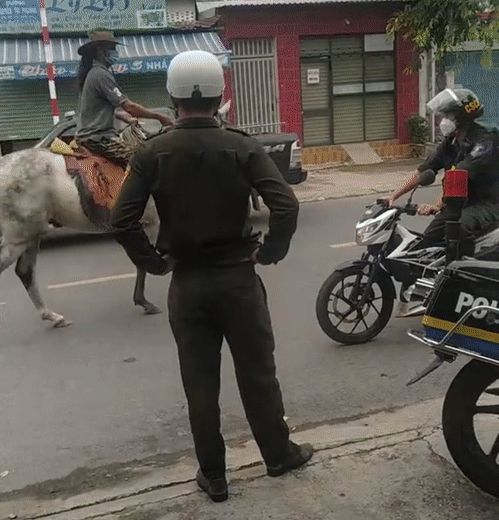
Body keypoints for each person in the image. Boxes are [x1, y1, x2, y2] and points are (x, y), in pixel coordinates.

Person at [110, 50, 313, 503]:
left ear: (172, 97)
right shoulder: (242, 146)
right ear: (220, 94)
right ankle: (279, 457)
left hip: (189, 286)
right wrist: (271, 252)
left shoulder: (151, 152)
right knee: (259, 375)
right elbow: (286, 204)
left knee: (200, 384)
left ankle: (214, 477)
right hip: (240, 282)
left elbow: (121, 220)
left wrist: (155, 263)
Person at [386, 87, 499, 257]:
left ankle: (462, 273)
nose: (443, 120)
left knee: (460, 226)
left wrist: (436, 205)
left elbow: (458, 177)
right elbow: (423, 171)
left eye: (448, 116)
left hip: (486, 204)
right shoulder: (449, 143)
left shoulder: (484, 142)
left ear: (462, 117)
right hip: (458, 205)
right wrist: (393, 196)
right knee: (428, 241)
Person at [75, 29, 173, 168]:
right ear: (100, 50)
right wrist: (159, 117)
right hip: (98, 139)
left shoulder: (93, 74)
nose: (115, 52)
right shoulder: (101, 75)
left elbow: (98, 109)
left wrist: (123, 117)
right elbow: (130, 107)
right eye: (112, 48)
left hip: (91, 137)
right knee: (140, 162)